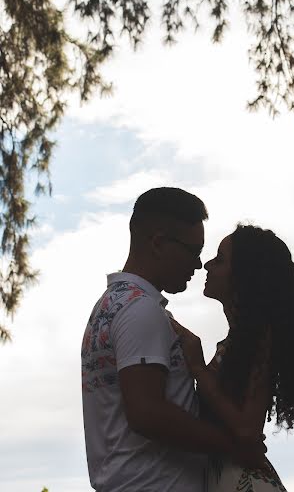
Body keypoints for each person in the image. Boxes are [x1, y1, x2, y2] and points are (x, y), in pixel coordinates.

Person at [81, 188, 265, 492]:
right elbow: (146, 413)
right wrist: (233, 445)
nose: (198, 265)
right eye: (194, 251)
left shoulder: (110, 307)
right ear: (158, 243)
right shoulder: (140, 310)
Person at [173, 224, 294, 491]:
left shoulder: (259, 341)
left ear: (244, 276)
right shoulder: (242, 342)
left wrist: (197, 367)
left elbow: (247, 430)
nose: (207, 265)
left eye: (219, 260)